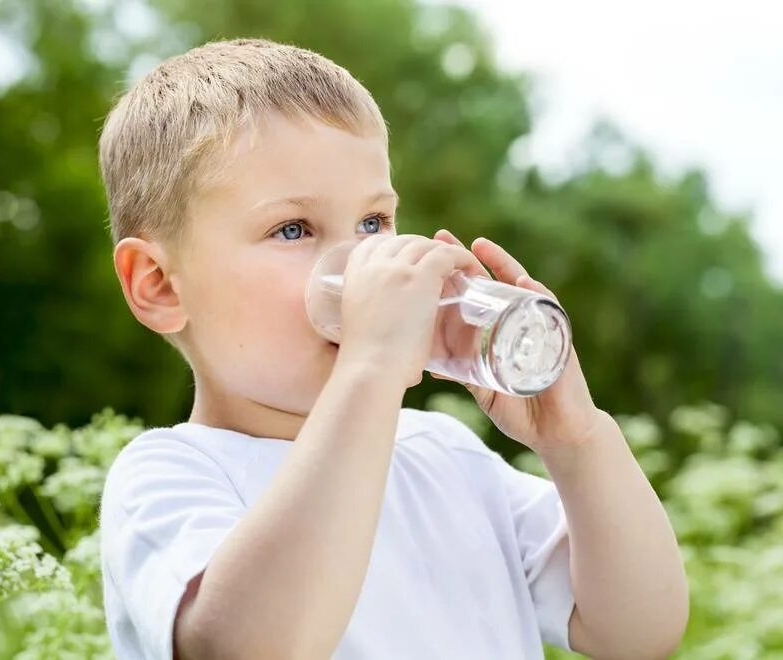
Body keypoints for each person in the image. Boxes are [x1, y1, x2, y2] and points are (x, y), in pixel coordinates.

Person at [96, 37, 689, 659]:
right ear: (159, 285)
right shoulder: (169, 476)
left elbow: (637, 633)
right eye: (293, 229)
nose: (361, 262)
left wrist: (576, 441)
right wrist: (371, 369)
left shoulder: (446, 457)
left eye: (374, 223)